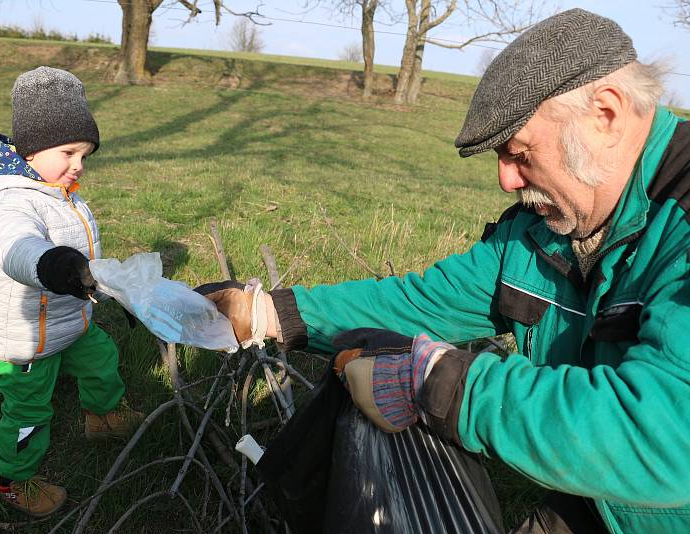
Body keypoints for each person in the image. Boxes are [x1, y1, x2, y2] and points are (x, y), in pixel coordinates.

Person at [197, 8, 690, 533]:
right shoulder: (541, 233)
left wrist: (446, 384)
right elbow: (425, 302)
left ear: (606, 115)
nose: (505, 179)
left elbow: (666, 436)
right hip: (597, 500)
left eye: (520, 153)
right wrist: (272, 313)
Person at [0, 66, 143, 518]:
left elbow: (84, 259)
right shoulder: (10, 200)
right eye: (68, 152)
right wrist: (53, 263)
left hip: (69, 322)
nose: (78, 165)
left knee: (102, 359)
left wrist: (111, 289)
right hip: (25, 340)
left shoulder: (62, 193)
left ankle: (103, 418)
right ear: (32, 148)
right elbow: (17, 246)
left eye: (84, 155)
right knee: (29, 412)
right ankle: (13, 478)